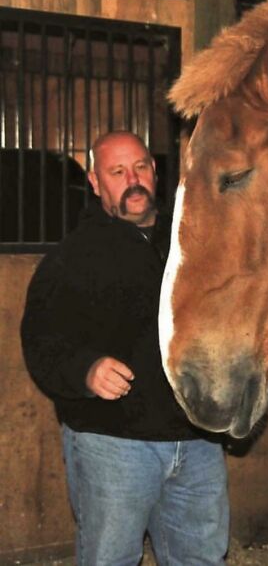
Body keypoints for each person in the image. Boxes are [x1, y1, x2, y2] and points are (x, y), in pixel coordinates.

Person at [21, 131, 230, 566]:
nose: (132, 179)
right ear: (96, 183)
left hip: (196, 439)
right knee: (110, 559)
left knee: (202, 558)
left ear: (155, 172)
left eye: (139, 167)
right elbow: (41, 339)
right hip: (114, 442)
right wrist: (86, 369)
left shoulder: (196, 240)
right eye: (117, 172)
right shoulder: (72, 257)